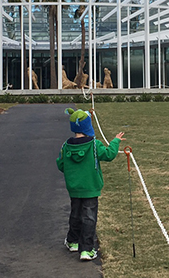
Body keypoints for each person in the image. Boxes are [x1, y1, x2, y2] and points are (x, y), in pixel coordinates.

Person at [56, 108, 125, 261]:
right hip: (91, 188)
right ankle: (86, 249)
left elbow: (61, 165)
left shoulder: (66, 146)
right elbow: (109, 155)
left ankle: (73, 241)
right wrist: (115, 141)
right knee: (89, 217)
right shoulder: (94, 145)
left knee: (75, 214)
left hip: (74, 188)